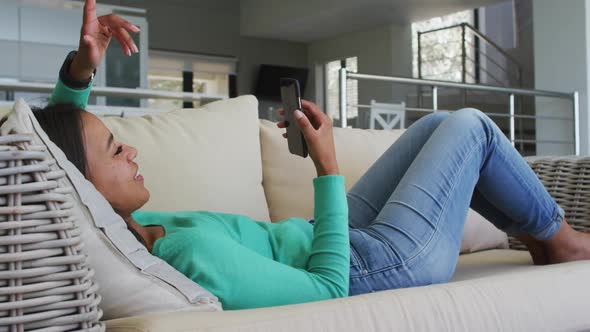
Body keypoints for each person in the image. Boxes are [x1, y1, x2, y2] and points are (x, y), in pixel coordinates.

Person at [34, 0, 590, 310]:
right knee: (471, 127)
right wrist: (327, 167)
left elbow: (57, 155)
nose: (130, 149)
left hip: (340, 239)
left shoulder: (136, 230)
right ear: (87, 188)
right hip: (375, 267)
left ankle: (542, 240)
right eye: (114, 149)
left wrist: (82, 67)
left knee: (440, 122)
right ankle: (563, 242)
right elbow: (329, 290)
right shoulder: (190, 256)